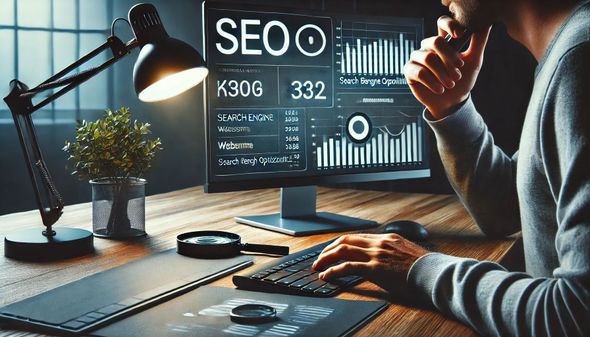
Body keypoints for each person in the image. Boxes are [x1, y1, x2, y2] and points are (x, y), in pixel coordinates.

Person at [312, 0, 590, 335]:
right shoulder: (567, 51)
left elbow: (573, 315)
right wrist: (452, 107)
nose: (443, 0)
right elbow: (511, 208)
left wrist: (420, 269)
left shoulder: (579, 62)